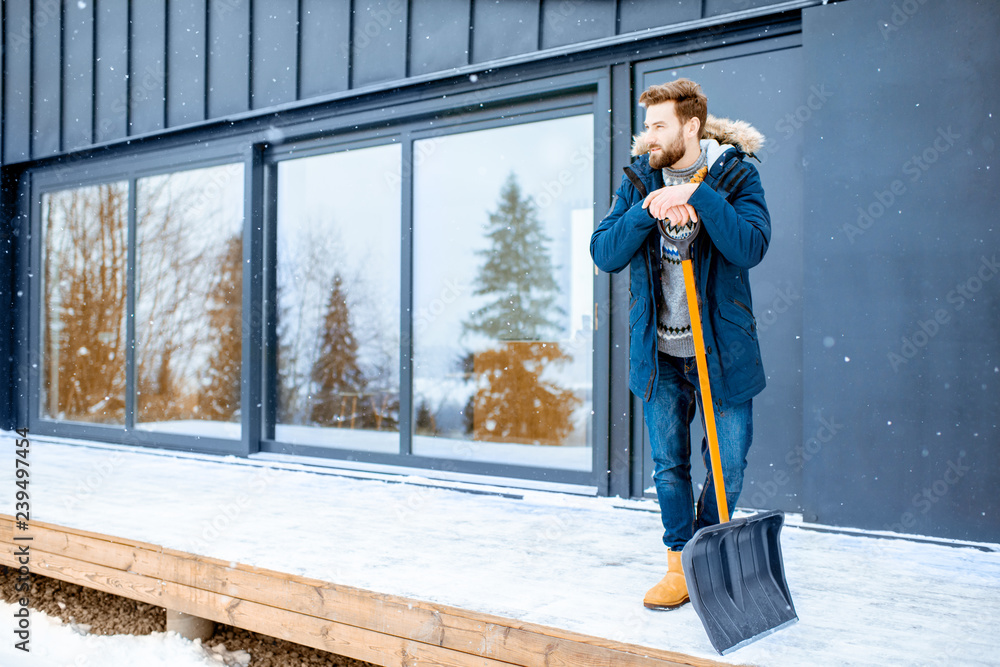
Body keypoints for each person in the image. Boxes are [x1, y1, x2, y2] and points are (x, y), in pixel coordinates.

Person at [590, 78, 770, 610]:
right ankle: (679, 561)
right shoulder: (638, 177)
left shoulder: (735, 174)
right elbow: (604, 252)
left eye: (658, 125)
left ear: (690, 126)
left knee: (729, 462)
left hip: (722, 350)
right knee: (669, 465)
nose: (648, 136)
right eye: (646, 126)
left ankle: (705, 549)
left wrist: (699, 195)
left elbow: (750, 246)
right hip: (660, 354)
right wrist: (647, 208)